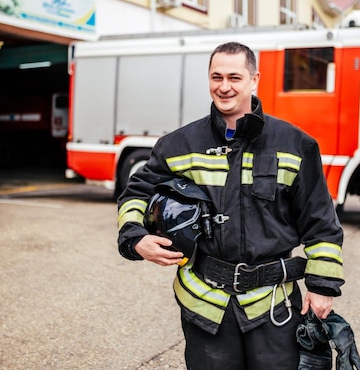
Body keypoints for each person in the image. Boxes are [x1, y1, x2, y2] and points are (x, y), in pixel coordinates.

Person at [117, 42, 344, 370]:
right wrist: (136, 237)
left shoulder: (296, 145)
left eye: (234, 77)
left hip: (273, 306)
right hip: (205, 306)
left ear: (254, 80)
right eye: (216, 77)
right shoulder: (178, 144)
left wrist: (322, 286)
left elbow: (321, 221)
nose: (224, 86)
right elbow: (135, 193)